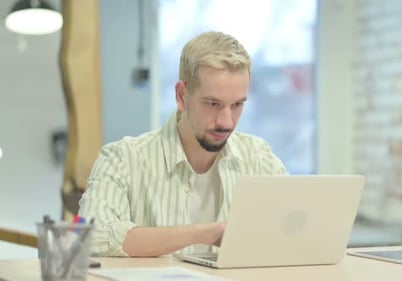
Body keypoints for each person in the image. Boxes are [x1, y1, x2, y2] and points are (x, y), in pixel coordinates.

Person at [78, 31, 287, 257]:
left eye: (237, 105)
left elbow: (297, 231)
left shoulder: (258, 156)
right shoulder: (122, 159)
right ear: (181, 95)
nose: (226, 121)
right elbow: (88, 237)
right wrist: (203, 233)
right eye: (212, 104)